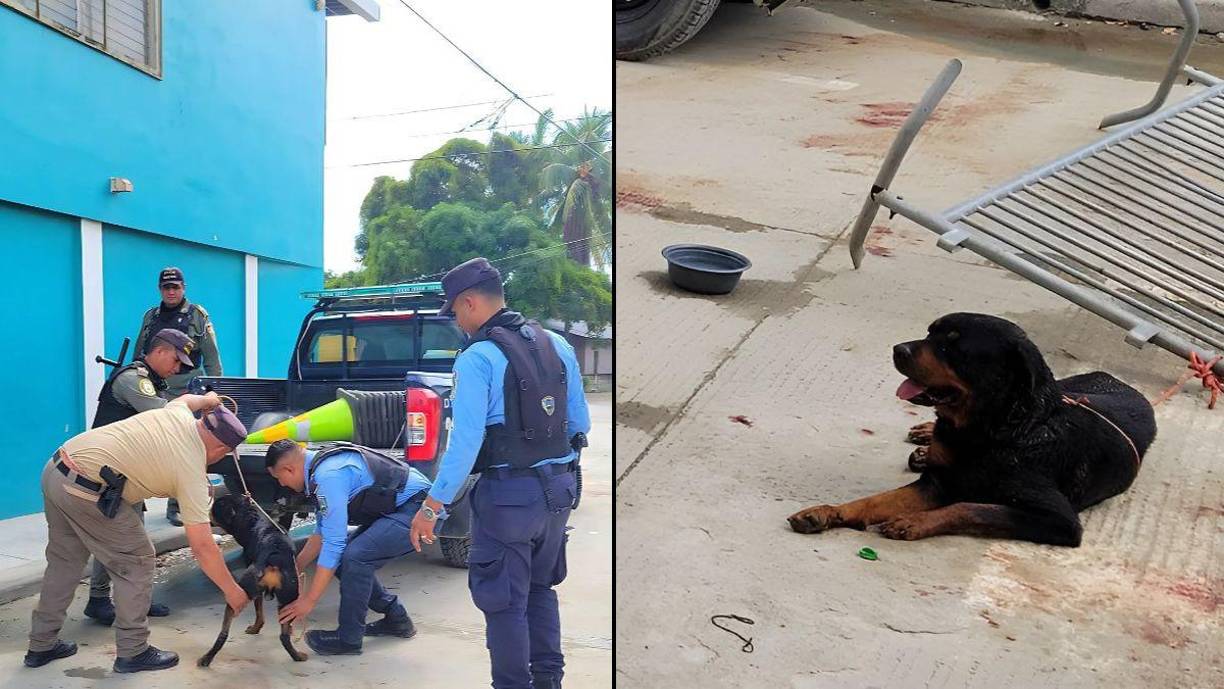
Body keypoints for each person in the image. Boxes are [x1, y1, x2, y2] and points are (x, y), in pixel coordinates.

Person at [409, 257, 591, 689]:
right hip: (559, 493)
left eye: (454, 311)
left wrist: (432, 507)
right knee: (540, 590)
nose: (456, 320)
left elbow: (466, 444)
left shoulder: (478, 358)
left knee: (504, 602)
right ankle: (549, 681)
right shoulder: (558, 345)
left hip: (510, 499)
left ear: (470, 303)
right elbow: (580, 425)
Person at [24, 394, 252, 674]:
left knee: (64, 562)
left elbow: (187, 399)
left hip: (57, 468)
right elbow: (203, 546)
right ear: (220, 448)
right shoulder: (190, 467)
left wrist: (208, 399)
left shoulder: (178, 413)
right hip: (86, 489)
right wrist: (233, 590)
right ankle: (133, 651)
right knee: (137, 561)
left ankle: (41, 645)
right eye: (224, 453)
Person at [266, 439, 432, 656]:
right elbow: (322, 532)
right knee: (348, 559)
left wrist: (308, 601)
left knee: (355, 557)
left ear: (289, 468)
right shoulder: (318, 471)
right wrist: (295, 568)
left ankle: (348, 639)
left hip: (419, 509)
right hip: (396, 508)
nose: (282, 484)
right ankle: (396, 619)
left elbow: (334, 543)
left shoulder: (328, 476)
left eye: (280, 478)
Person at [83, 328, 196, 625]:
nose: (176, 369)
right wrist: (194, 404)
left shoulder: (152, 381)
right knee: (121, 541)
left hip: (126, 473)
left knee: (127, 539)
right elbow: (165, 417)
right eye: (175, 361)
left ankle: (125, 599)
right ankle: (105, 600)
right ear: (159, 351)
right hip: (109, 474)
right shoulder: (133, 380)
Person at [134, 266, 223, 526]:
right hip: (154, 392)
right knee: (149, 445)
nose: (171, 291)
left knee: (186, 448)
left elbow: (212, 358)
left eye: (175, 287)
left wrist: (212, 392)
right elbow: (140, 352)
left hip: (188, 391)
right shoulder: (151, 316)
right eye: (166, 287)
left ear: (183, 288)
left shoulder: (197, 316)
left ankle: (178, 505)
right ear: (160, 289)